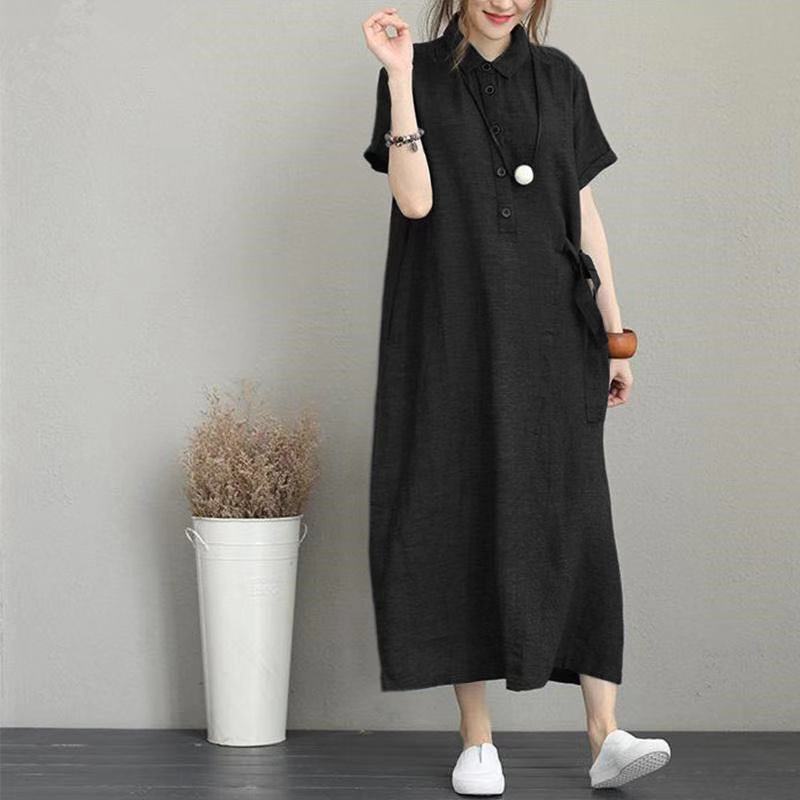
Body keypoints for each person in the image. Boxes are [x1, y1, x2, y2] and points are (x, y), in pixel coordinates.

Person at [361, 2, 671, 792]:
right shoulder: (417, 74)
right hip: (453, 330)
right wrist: (398, 80)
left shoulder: (560, 78)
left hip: (554, 328)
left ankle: (605, 734)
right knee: (458, 507)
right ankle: (477, 740)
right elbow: (415, 201)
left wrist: (615, 332)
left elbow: (582, 209)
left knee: (575, 512)